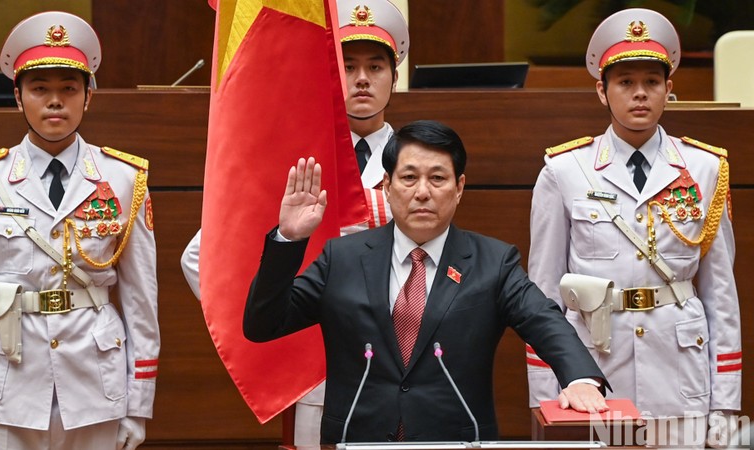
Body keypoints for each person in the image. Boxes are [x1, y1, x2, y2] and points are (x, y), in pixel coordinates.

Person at [244, 120, 608, 443]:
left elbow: (543, 318)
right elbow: (263, 324)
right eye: (408, 177)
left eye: (437, 178)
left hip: (456, 439)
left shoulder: (492, 262)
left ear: (459, 186)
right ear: (387, 186)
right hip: (357, 438)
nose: (422, 192)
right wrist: (287, 241)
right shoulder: (342, 258)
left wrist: (579, 378)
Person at [180, 0, 409, 443]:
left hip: (398, 359)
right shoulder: (294, 160)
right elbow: (202, 257)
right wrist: (278, 316)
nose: (361, 78)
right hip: (315, 365)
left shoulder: (417, 163)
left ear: (394, 78)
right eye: (347, 64)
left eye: (376, 66)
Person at [525, 8, 740, 448]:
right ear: (602, 91)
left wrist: (726, 407)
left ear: (669, 90)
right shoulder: (566, 171)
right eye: (625, 83)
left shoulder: (703, 168)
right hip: (593, 370)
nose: (639, 94)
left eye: (652, 83)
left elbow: (721, 294)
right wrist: (546, 398)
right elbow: (543, 297)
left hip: (680, 368)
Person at [0, 12, 159, 450]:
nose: (54, 102)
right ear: (17, 96)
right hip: (9, 385)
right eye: (39, 89)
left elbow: (142, 300)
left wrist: (139, 405)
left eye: (69, 89)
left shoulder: (124, 180)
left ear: (89, 98)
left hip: (97, 387)